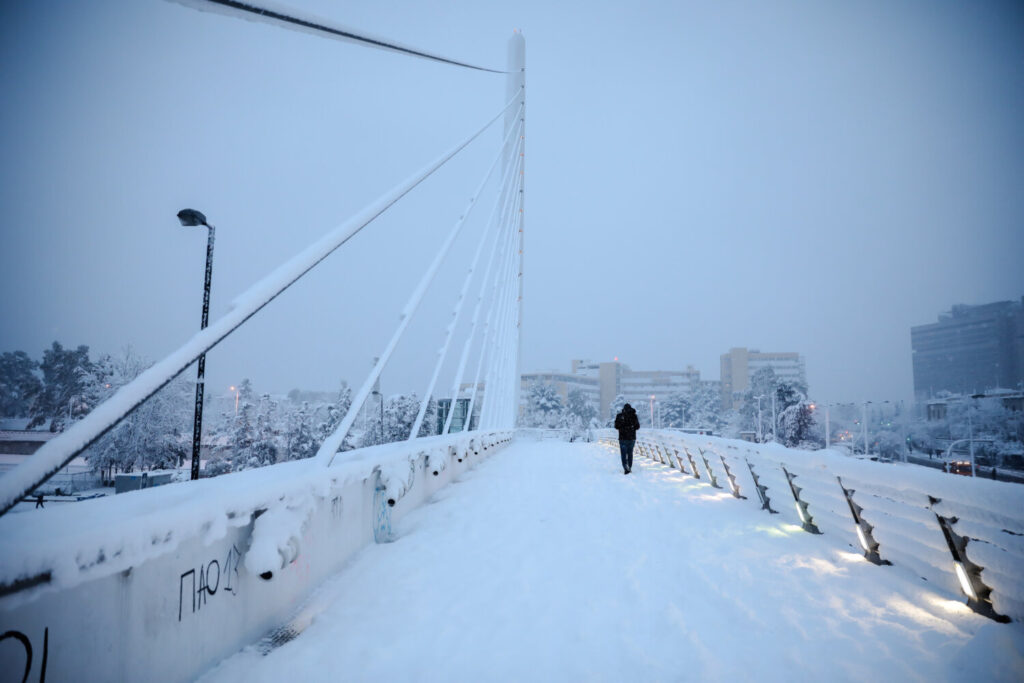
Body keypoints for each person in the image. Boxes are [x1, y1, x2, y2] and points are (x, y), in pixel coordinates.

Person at [614, 403, 640, 474]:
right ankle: (629, 467)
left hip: (622, 438)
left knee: (623, 454)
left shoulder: (620, 416)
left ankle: (626, 467)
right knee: (630, 453)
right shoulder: (634, 416)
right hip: (631, 438)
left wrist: (622, 426)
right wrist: (631, 427)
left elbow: (616, 426)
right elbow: (637, 427)